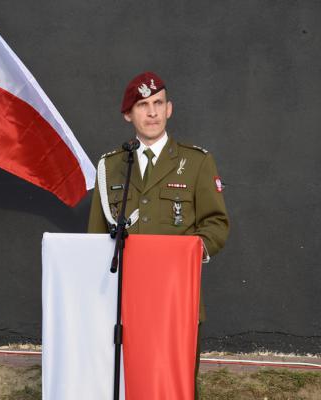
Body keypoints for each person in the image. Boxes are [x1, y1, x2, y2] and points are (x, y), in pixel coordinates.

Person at [87, 71, 230, 398]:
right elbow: (96, 238)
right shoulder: (110, 167)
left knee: (172, 387)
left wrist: (186, 258)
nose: (151, 112)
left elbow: (216, 224)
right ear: (128, 115)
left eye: (158, 103)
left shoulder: (196, 163)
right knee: (126, 383)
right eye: (142, 105)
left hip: (175, 300)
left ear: (169, 109)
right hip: (124, 304)